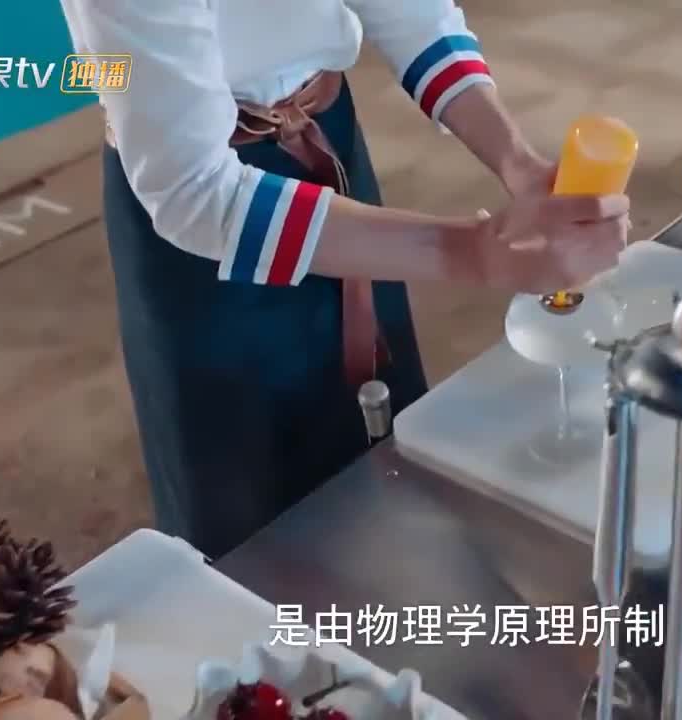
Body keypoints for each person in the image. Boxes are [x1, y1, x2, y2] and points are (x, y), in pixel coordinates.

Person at [57, 0, 631, 558]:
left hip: (327, 141)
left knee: (386, 451)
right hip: (209, 219)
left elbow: (413, 13)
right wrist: (472, 254)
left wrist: (518, 164)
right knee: (255, 518)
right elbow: (195, 193)